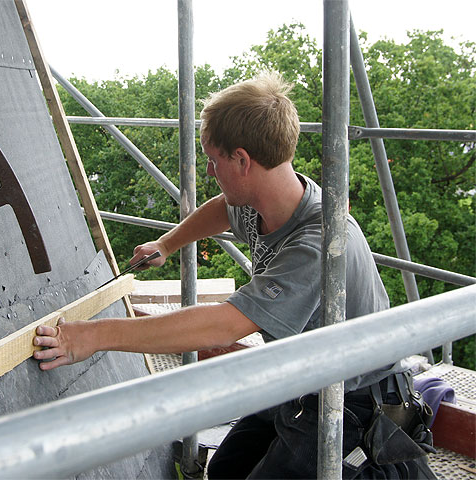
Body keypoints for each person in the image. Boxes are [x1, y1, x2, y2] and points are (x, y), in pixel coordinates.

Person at [32, 72, 435, 479]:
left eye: (214, 159)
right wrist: (168, 244)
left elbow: (224, 325)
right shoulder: (266, 198)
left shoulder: (322, 243)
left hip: (356, 402)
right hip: (302, 377)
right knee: (225, 469)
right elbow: (224, 209)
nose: (209, 171)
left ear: (242, 160)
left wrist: (94, 336)